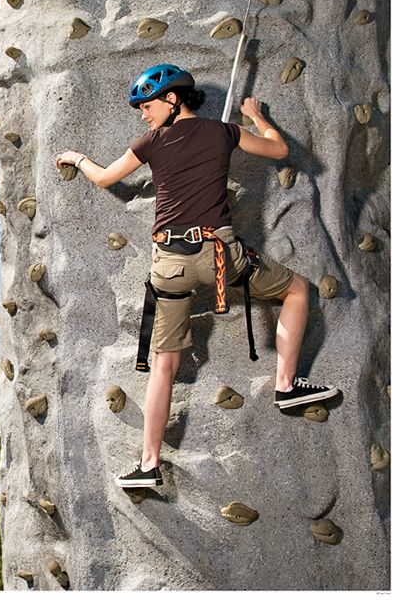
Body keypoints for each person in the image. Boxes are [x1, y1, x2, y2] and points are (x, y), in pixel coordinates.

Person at [54, 63, 339, 489]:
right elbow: (279, 151)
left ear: (172, 100)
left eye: (147, 106)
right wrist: (257, 116)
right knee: (297, 289)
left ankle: (148, 466)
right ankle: (285, 386)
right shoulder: (222, 132)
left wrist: (76, 157)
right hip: (221, 256)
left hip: (169, 263)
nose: (143, 114)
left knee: (163, 366)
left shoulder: (149, 143)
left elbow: (106, 178)